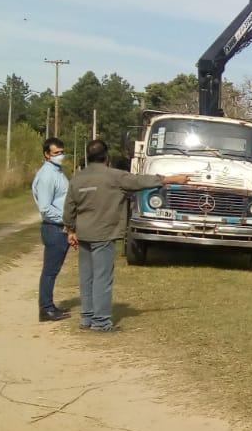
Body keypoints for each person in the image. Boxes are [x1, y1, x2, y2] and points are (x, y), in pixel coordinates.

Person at [63, 138, 191, 332]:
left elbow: (69, 209)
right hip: (104, 235)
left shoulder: (77, 178)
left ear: (88, 158)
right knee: (102, 279)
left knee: (86, 277)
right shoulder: (115, 177)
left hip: (84, 234)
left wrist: (71, 230)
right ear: (107, 157)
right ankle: (101, 322)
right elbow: (141, 181)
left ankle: (86, 317)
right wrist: (171, 179)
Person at [32, 136, 71, 322]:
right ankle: (45, 308)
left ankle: (49, 305)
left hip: (60, 227)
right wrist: (65, 220)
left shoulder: (58, 172)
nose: (60, 156)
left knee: (53, 270)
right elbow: (46, 208)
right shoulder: (47, 176)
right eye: (56, 153)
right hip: (54, 228)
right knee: (50, 270)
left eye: (62, 152)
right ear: (47, 154)